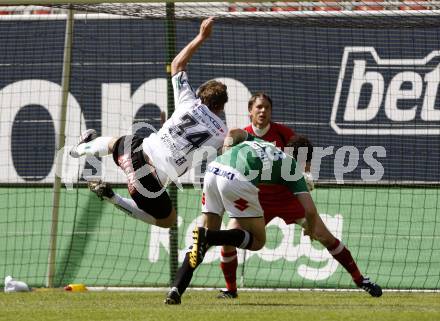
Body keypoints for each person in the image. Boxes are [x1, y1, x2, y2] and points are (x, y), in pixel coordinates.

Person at [216, 92, 382, 299]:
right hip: (256, 201)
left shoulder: (284, 133)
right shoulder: (242, 136)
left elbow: (303, 158)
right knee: (228, 240)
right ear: (250, 111)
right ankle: (231, 290)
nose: (263, 111)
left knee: (325, 236)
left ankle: (360, 280)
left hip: (288, 198)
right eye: (258, 107)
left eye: (267, 107)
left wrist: (307, 175)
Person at [69, 17, 230, 228]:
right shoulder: (222, 132)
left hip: (135, 151)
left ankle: (80, 148)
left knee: (116, 143)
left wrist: (201, 36)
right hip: (147, 182)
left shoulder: (188, 101)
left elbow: (177, 64)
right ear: (221, 108)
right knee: (169, 221)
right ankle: (113, 198)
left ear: (200, 95)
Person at [164, 133, 320, 304]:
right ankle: (208, 236)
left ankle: (175, 290)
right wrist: (310, 229)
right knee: (258, 240)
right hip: (237, 180)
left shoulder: (266, 145)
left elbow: (234, 133)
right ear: (305, 160)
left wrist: (227, 150)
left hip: (213, 170)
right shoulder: (292, 167)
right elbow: (310, 211)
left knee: (200, 244)